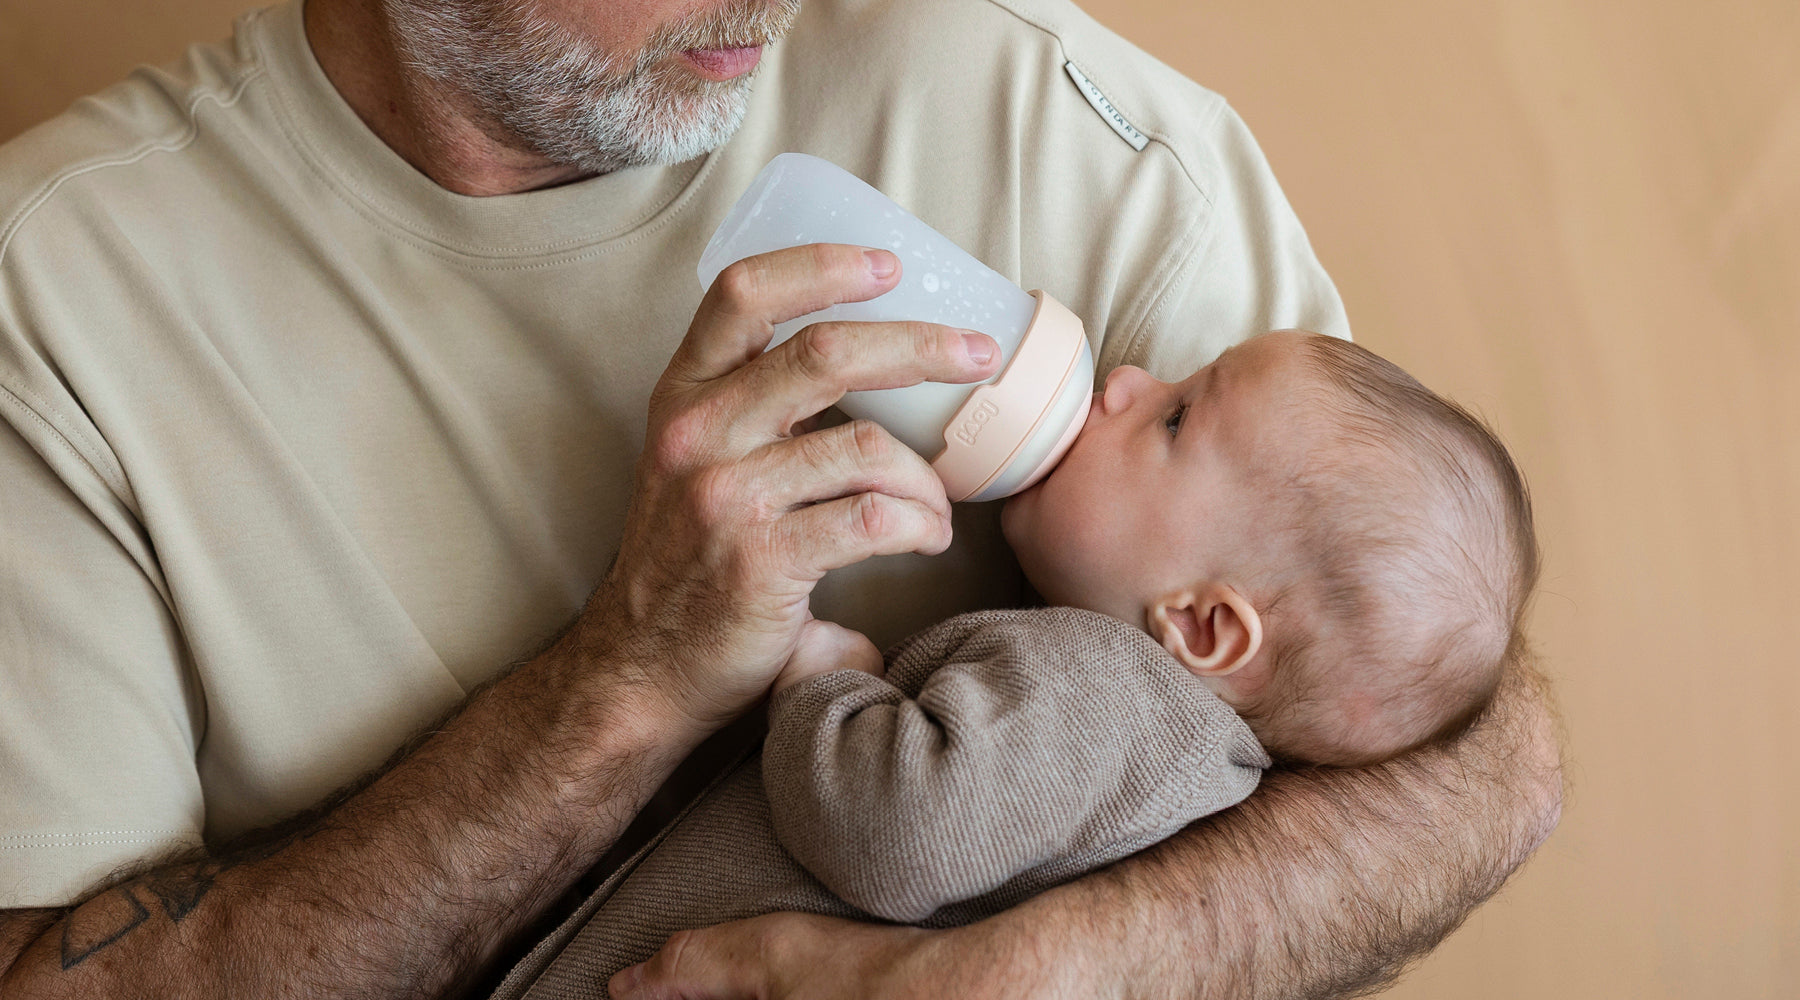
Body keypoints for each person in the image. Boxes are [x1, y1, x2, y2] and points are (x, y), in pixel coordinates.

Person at [0, 0, 1562, 996]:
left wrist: (1050, 973)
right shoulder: (60, 299)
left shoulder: (1048, 113)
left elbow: (1472, 744)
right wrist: (626, 682)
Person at [485, 329, 1540, 998]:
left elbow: (900, 827)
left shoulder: (1114, 697)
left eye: (1175, 416)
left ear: (1205, 630)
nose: (1127, 378)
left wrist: (824, 680)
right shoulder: (1159, 742)